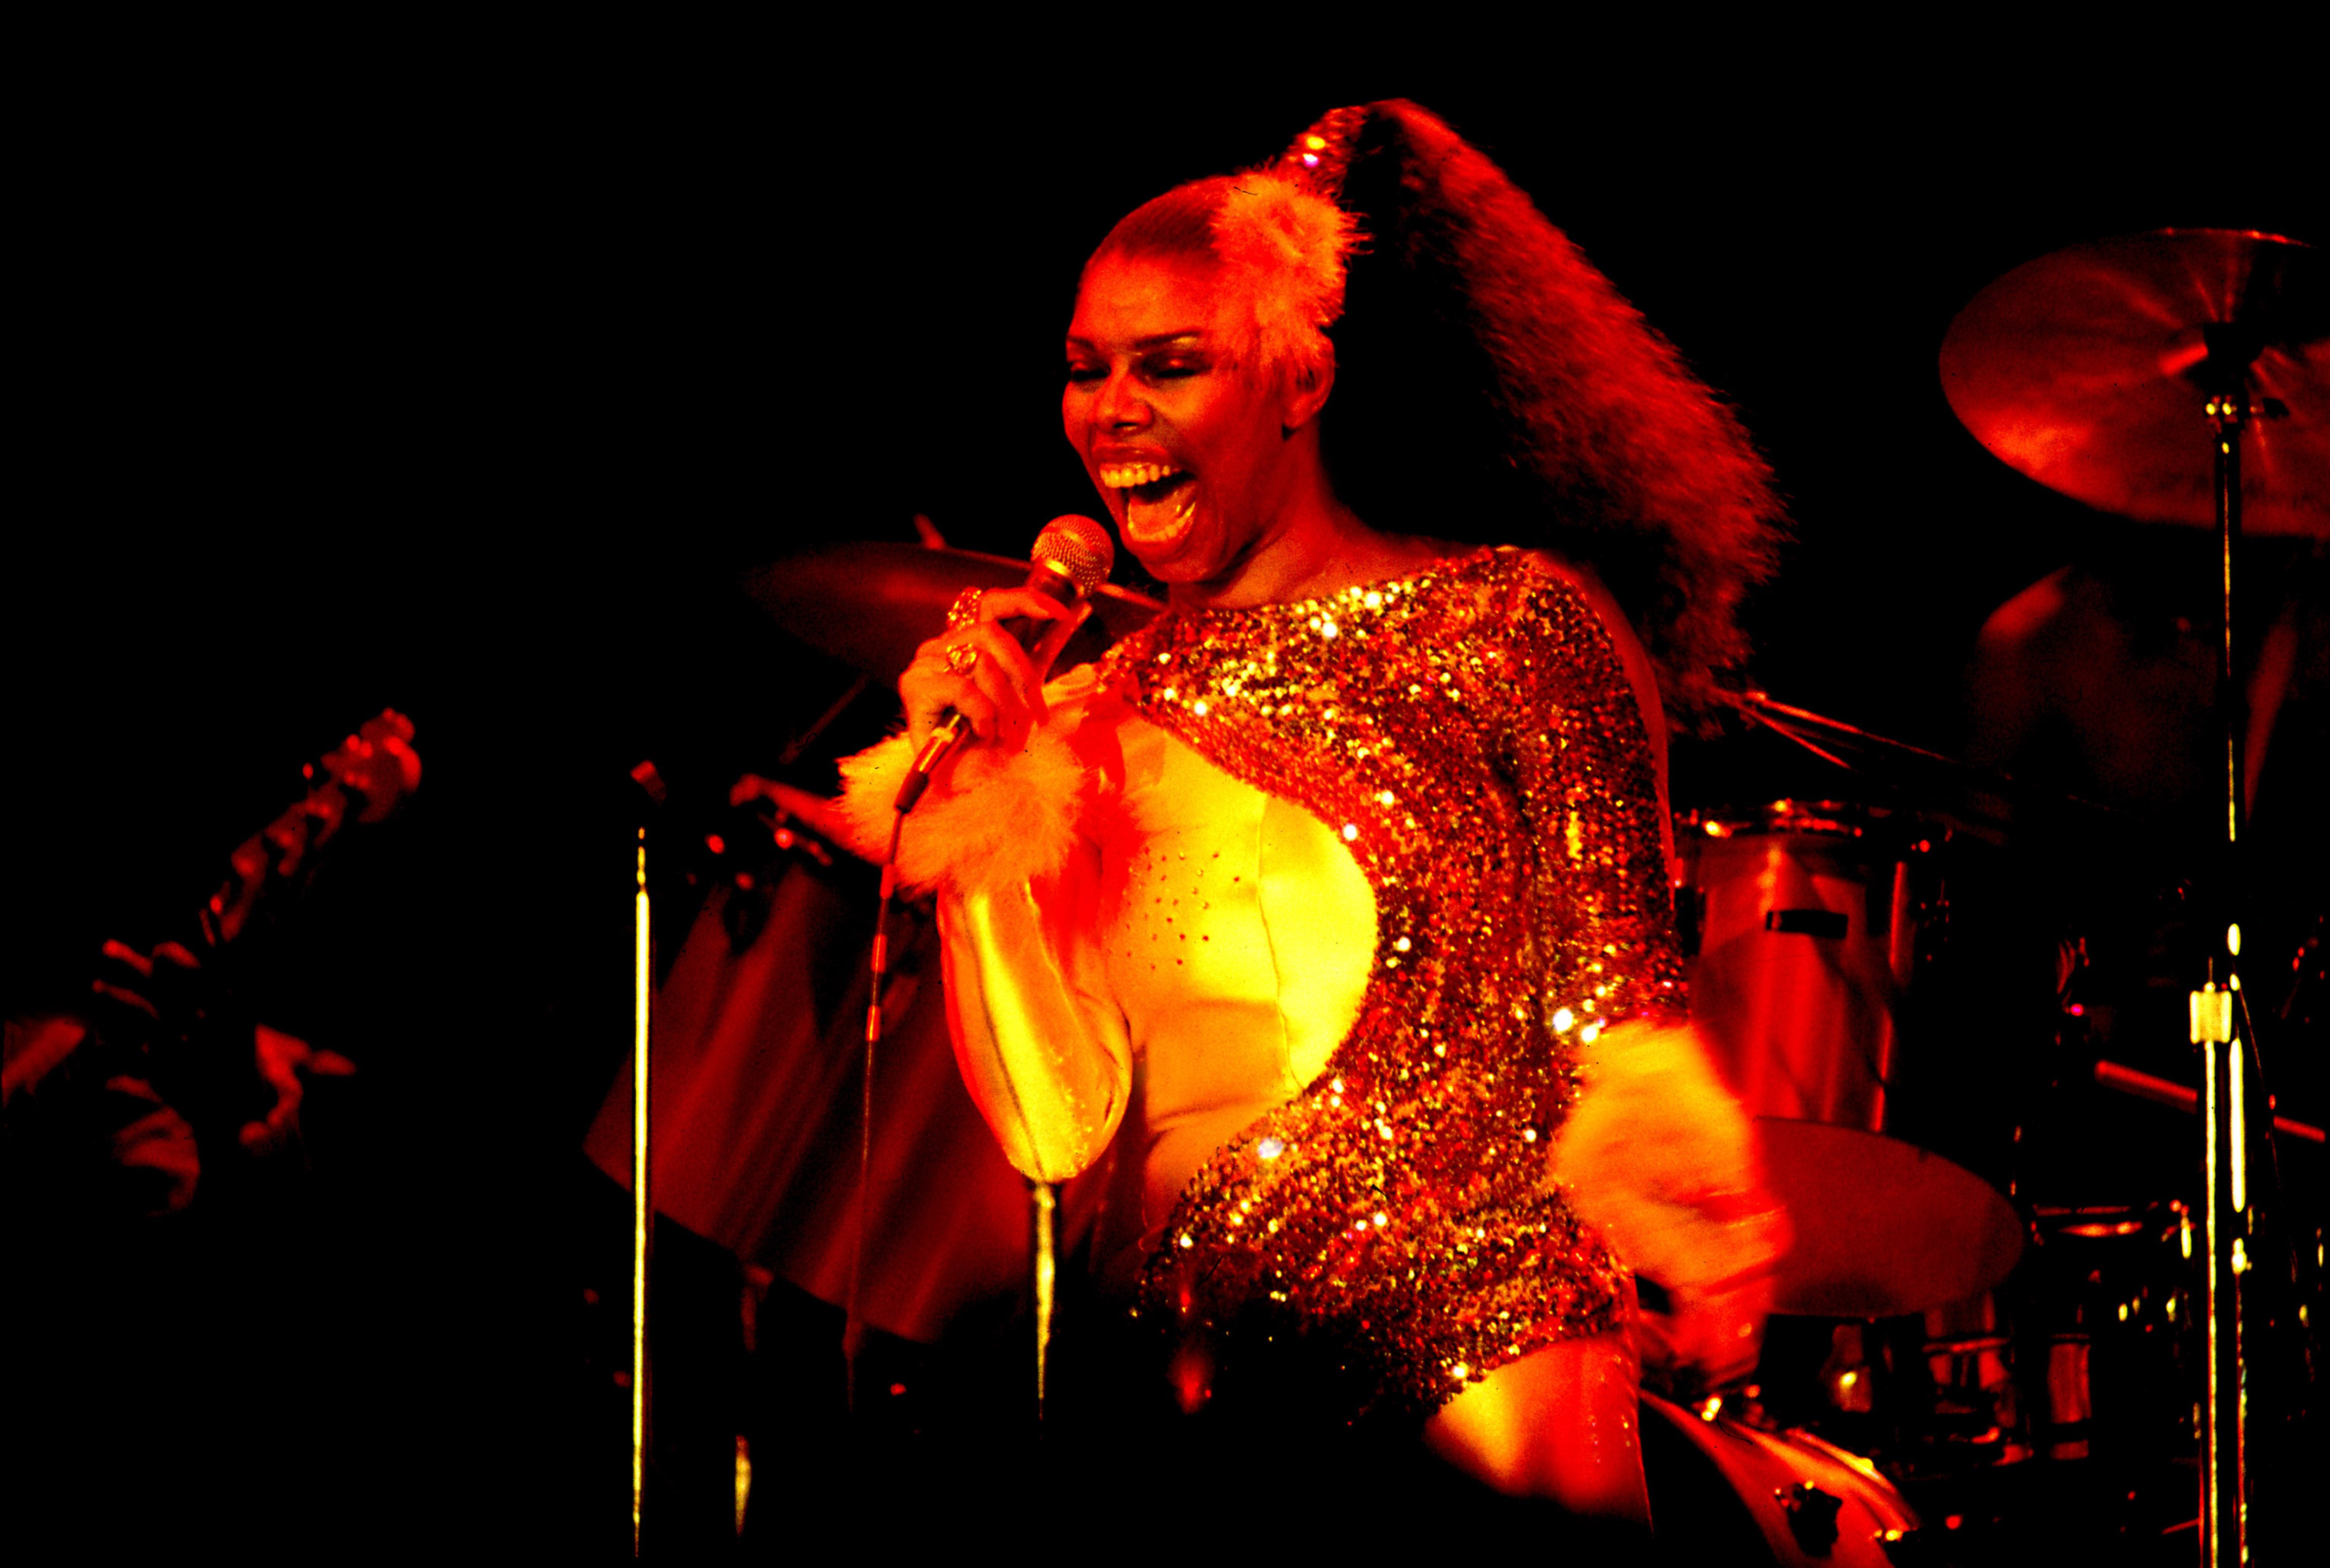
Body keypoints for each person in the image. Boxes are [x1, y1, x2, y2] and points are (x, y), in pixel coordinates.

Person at [837, 100, 1789, 1527]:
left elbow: (1620, 1010)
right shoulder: (1091, 716)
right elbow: (1054, 1131)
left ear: (1297, 378)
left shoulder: (1509, 625)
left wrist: (1698, 1230)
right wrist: (980, 817)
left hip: (1485, 1352)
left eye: (1172, 366)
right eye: (1087, 370)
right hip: (1202, 1402)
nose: (1114, 411)